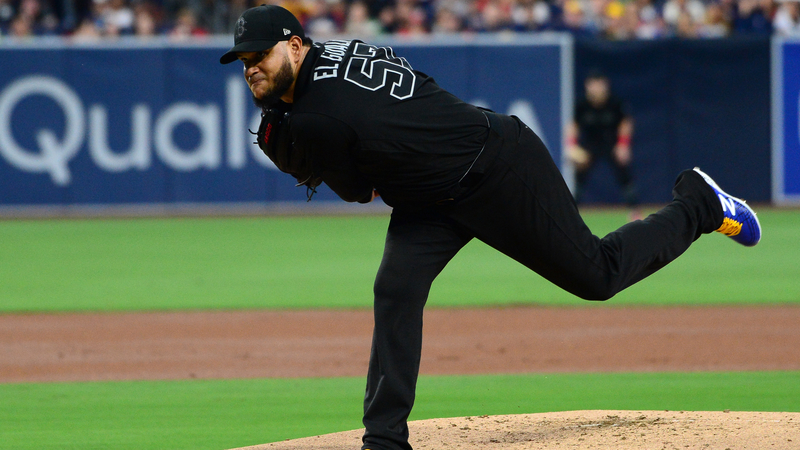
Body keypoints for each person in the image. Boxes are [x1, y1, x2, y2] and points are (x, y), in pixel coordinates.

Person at [219, 6, 761, 450]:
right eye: (242, 61)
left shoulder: (317, 118)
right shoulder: (343, 50)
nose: (250, 68)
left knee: (597, 275)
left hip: (496, 170)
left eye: (258, 55)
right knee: (396, 290)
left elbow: (359, 190)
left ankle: (700, 204)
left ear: (293, 46)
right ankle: (384, 439)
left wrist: (296, 147)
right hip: (429, 197)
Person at [567, 70, 639, 212]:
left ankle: (635, 213)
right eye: (593, 84)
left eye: (600, 84)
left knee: (624, 177)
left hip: (612, 144)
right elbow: (573, 126)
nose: (597, 88)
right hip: (590, 145)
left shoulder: (614, 103)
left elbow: (625, 123)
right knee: (579, 180)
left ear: (606, 85)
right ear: (587, 85)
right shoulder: (582, 105)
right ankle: (570, 215)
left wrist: (623, 145)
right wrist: (571, 146)